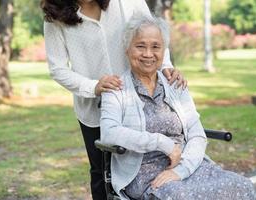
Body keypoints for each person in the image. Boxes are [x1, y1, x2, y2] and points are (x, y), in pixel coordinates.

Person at [100, 14, 256, 200]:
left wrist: (181, 170)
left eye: (156, 47)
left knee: (241, 185)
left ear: (163, 51)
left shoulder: (175, 84)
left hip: (187, 165)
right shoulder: (116, 88)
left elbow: (197, 134)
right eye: (140, 46)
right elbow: (109, 133)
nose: (148, 54)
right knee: (180, 196)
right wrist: (162, 143)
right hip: (144, 173)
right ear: (127, 50)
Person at [40, 0, 186, 199]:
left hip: (141, 101)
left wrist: (166, 65)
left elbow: (153, 32)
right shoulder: (55, 17)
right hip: (94, 111)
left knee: (150, 164)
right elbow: (58, 69)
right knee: (102, 172)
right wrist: (93, 86)